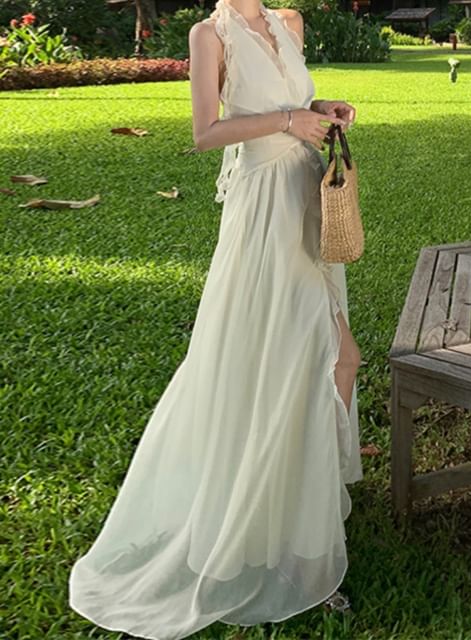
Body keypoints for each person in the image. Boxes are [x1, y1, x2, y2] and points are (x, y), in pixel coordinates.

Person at [68, 0, 364, 637]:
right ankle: (277, 538)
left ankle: (306, 514)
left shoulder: (289, 23)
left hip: (306, 196)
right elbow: (206, 132)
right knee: (291, 361)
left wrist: (319, 110)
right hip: (263, 213)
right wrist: (288, 120)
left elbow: (290, 105)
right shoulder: (210, 35)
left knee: (338, 359)